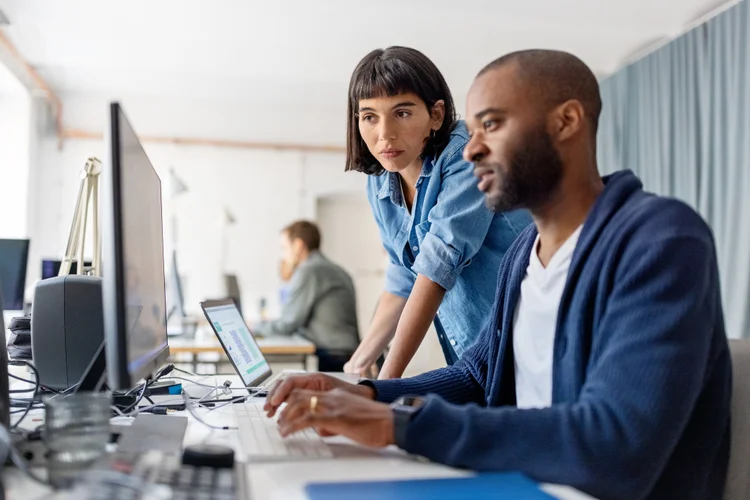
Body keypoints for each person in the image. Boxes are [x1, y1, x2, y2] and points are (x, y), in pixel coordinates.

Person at [263, 50, 732, 500]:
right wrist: (365, 392)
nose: (471, 150)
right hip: (524, 478)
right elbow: (475, 375)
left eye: (490, 124)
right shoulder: (524, 254)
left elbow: (615, 446)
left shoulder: (661, 241)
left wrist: (399, 424)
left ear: (566, 122)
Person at [343, 46, 532, 379]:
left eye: (402, 113)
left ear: (436, 115)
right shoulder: (380, 180)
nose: (384, 133)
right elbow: (404, 277)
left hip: (530, 345)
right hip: (477, 358)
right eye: (369, 116)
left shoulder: (468, 156)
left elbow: (436, 267)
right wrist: (358, 365)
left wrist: (383, 386)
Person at [254, 221, 360, 372]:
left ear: (298, 245)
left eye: (284, 248)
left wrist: (255, 327)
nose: (283, 255)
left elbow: (288, 324)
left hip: (332, 355)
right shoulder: (331, 268)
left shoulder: (310, 270)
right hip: (345, 352)